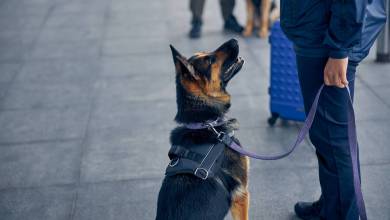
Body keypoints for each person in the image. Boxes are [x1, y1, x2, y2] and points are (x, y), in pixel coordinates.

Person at [280, 0, 387, 219]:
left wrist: (339, 49)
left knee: (333, 138)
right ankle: (333, 203)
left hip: (326, 36)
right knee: (327, 135)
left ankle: (339, 213)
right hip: (323, 29)